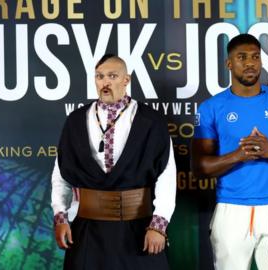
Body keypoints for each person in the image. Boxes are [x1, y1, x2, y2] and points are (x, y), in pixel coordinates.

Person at [191, 34, 268, 270]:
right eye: (242, 57)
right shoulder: (211, 108)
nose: (250, 63)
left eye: (255, 57)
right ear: (228, 64)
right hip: (230, 209)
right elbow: (199, 168)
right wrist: (239, 155)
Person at [51, 54, 176, 270]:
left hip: (139, 228)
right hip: (88, 229)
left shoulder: (151, 120)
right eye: (99, 77)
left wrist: (158, 225)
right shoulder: (76, 120)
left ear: (126, 80)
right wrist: (60, 217)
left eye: (112, 76)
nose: (105, 82)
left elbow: (166, 175)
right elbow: (61, 174)